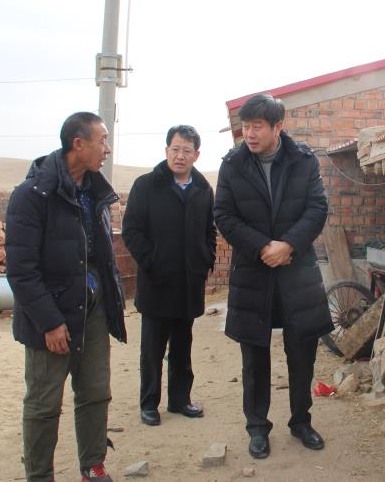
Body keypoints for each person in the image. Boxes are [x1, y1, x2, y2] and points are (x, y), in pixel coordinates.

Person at [5, 112, 127, 482]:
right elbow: (22, 271)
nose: (107, 149)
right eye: (102, 140)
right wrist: (50, 322)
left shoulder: (95, 192)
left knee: (95, 392)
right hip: (51, 316)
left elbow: (100, 257)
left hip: (93, 309)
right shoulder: (31, 196)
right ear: (78, 144)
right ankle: (40, 475)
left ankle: (92, 465)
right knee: (44, 403)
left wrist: (111, 303)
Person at [214, 93, 333, 460]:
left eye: (257, 127)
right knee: (254, 355)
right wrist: (263, 246)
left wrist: (289, 245)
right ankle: (257, 428)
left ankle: (301, 421)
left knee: (302, 350)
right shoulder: (233, 164)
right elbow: (224, 214)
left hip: (297, 272)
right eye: (245, 127)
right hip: (254, 271)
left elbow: (317, 207)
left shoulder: (303, 160)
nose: (249, 134)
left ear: (278, 127)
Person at [122, 125, 216, 426]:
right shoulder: (146, 185)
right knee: (152, 349)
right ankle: (149, 404)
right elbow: (132, 231)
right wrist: (152, 262)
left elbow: (209, 231)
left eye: (187, 150)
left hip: (189, 283)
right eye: (175, 149)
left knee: (182, 347)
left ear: (196, 155)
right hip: (157, 283)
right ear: (166, 151)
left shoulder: (203, 189)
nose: (180, 156)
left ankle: (180, 400)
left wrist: (206, 260)